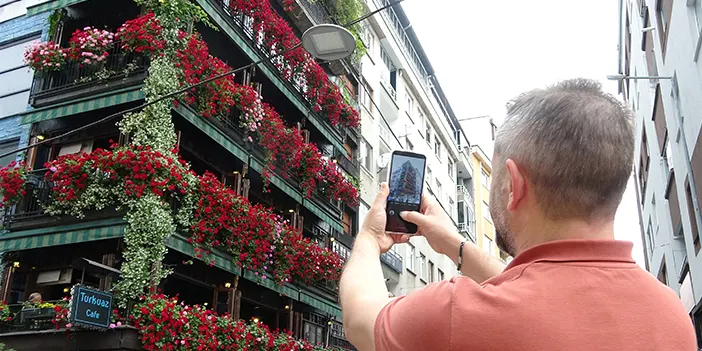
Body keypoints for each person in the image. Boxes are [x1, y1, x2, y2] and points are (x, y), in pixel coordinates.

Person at [339, 79, 697, 351]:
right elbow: (551, 296)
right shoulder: (672, 316)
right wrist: (454, 246)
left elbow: (359, 318)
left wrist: (370, 239)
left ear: (513, 184)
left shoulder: (458, 315)